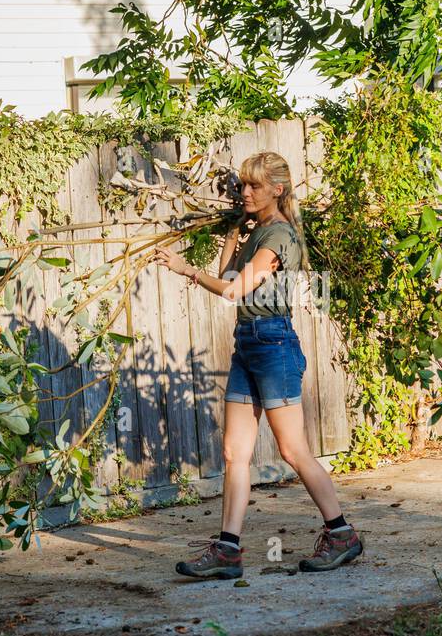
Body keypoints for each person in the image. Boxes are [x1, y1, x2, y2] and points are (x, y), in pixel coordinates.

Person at [152, 151, 364, 579]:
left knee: (292, 450)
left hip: (273, 344)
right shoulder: (257, 231)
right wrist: (232, 236)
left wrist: (184, 270)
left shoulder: (279, 236)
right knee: (235, 451)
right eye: (243, 185)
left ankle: (342, 534)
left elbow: (234, 291)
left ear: (277, 190)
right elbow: (228, 275)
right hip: (247, 344)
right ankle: (228, 550)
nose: (245, 192)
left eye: (254, 186)